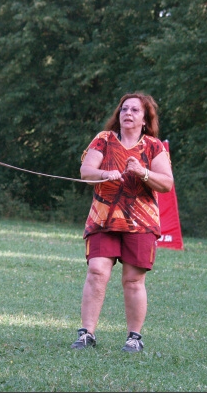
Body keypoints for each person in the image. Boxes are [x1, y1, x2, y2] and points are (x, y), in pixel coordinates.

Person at [71, 92, 174, 352]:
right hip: (103, 219)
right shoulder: (103, 140)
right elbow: (86, 172)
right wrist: (106, 172)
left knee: (133, 281)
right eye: (124, 109)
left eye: (134, 110)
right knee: (96, 271)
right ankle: (86, 334)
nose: (127, 114)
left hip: (141, 223)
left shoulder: (154, 146)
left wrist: (144, 172)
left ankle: (134, 338)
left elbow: (167, 183)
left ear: (145, 118)